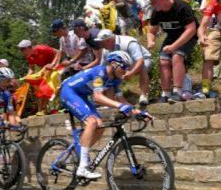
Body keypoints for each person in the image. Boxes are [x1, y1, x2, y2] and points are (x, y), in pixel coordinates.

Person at [60, 51, 152, 179]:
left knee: (100, 125)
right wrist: (121, 107)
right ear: (114, 64)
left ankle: (81, 152)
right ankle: (82, 167)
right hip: (68, 92)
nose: (125, 71)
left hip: (81, 96)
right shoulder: (100, 72)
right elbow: (98, 98)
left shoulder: (114, 80)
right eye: (124, 67)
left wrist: (137, 111)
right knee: (92, 122)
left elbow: (121, 101)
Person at [147, 0, 198, 103]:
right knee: (163, 61)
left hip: (188, 36)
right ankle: (165, 93)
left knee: (177, 56)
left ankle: (178, 91)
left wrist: (174, 47)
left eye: (155, 0)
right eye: (152, 1)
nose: (153, 3)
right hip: (171, 37)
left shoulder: (182, 7)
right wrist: (151, 41)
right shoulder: (157, 12)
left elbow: (191, 30)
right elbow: (151, 31)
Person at [95, 30, 152, 106]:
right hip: (125, 65)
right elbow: (102, 67)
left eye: (101, 42)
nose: (100, 45)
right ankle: (108, 100)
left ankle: (143, 96)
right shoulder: (106, 50)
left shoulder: (129, 42)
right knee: (107, 71)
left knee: (143, 67)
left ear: (108, 40)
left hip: (143, 60)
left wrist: (131, 73)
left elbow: (140, 61)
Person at [18, 39, 60, 115]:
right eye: (20, 49)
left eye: (23, 49)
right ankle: (41, 109)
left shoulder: (41, 48)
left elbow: (58, 52)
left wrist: (53, 64)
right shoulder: (29, 56)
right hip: (44, 69)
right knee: (36, 86)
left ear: (29, 47)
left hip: (55, 66)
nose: (21, 51)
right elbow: (31, 69)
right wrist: (27, 77)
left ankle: (47, 108)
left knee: (45, 86)